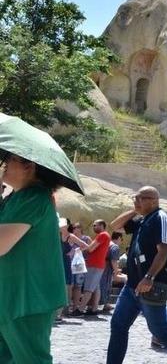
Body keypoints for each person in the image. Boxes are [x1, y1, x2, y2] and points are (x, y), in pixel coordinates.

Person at [106, 186, 167, 364]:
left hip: (152, 285)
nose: (135, 201)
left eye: (140, 198)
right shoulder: (141, 220)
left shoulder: (162, 218)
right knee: (118, 325)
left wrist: (149, 277)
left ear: (153, 200)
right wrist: (134, 210)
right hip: (132, 287)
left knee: (160, 330)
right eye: (134, 198)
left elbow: (164, 250)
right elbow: (114, 226)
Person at [0, 151, 68, 362]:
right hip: (14, 296)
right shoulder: (17, 197)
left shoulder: (33, 197)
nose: (4, 163)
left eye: (9, 159)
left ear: (28, 166)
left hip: (27, 298)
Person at [66, 219, 112, 315]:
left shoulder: (102, 235)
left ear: (102, 226)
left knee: (88, 288)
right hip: (96, 264)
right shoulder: (103, 236)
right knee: (95, 287)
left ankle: (80, 309)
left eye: (96, 225)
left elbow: (91, 248)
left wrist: (81, 248)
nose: (94, 227)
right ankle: (94, 308)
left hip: (95, 264)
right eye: (94, 225)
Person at [99, 231, 125, 312]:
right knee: (106, 285)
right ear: (119, 238)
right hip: (107, 269)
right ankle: (105, 303)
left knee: (100, 285)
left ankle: (105, 304)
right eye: (121, 239)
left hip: (100, 266)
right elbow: (113, 260)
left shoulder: (107, 244)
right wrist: (116, 271)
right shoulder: (115, 247)